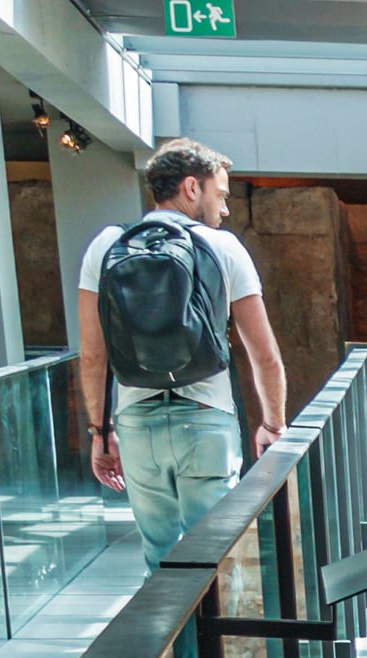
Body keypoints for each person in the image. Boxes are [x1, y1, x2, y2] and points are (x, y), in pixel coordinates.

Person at [75, 141, 286, 562]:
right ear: (192, 187)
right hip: (206, 421)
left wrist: (101, 433)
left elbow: (93, 355)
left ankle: (173, 631)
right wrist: (273, 424)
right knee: (213, 560)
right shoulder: (223, 247)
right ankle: (212, 629)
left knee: (159, 556)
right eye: (220, 195)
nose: (224, 209)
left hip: (136, 424)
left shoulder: (107, 244)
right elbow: (264, 354)